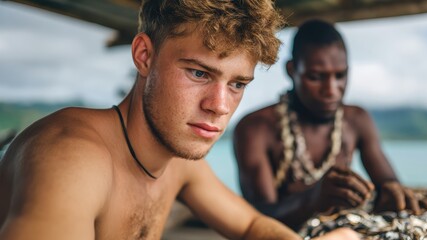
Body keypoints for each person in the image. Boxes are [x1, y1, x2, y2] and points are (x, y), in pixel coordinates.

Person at [0, 1, 359, 239]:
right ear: (144, 55)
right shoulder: (71, 158)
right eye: (199, 74)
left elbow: (251, 226)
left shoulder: (177, 160)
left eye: (236, 84)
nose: (219, 106)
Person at [233, 19, 427, 231]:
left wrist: (394, 194)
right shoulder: (255, 128)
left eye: (340, 75)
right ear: (291, 70)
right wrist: (313, 199)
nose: (331, 90)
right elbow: (257, 218)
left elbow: (388, 183)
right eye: (316, 77)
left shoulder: (356, 120)